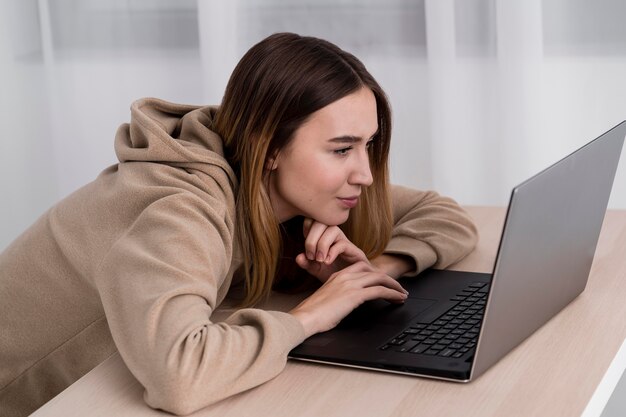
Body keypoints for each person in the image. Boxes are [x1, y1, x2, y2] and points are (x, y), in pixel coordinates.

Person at [0, 32, 478, 416]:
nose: (365, 174)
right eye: (340, 149)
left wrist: (368, 273)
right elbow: (179, 377)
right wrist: (311, 315)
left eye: (367, 145)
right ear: (269, 147)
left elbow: (444, 216)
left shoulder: (270, 181)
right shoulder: (179, 207)